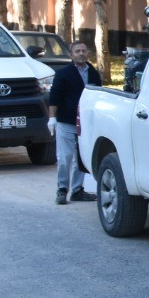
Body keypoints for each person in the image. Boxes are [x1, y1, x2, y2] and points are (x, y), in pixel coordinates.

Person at [46, 40, 104, 204]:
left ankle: (77, 190)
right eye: (77, 51)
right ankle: (62, 189)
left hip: (85, 123)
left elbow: (98, 95)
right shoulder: (63, 73)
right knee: (65, 158)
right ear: (71, 55)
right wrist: (52, 118)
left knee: (81, 158)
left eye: (84, 51)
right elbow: (54, 96)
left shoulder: (92, 72)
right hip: (66, 121)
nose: (81, 54)